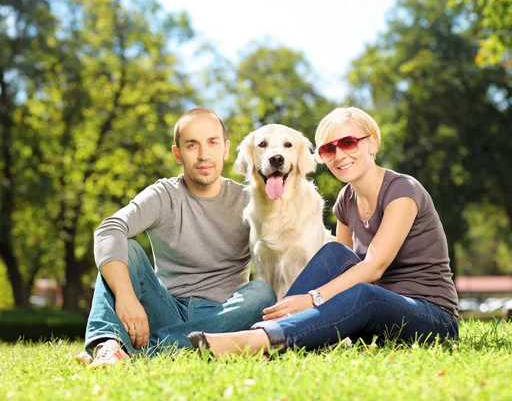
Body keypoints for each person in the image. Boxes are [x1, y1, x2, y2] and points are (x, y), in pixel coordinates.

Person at [188, 106, 459, 357]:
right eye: (329, 149)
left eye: (349, 143)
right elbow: (341, 267)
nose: (340, 155)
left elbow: (374, 267)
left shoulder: (403, 190)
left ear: (373, 143)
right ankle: (270, 327)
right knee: (333, 252)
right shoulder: (346, 199)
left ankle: (255, 342)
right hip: (375, 317)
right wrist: (310, 302)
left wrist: (312, 299)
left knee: (365, 293)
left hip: (431, 318)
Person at [76, 107, 276, 367]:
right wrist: (126, 297)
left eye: (212, 143)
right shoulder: (164, 194)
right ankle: (108, 343)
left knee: (262, 293)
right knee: (125, 248)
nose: (204, 155)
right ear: (177, 153)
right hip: (167, 309)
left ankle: (129, 350)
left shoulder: (249, 200)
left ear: (225, 149)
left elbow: (282, 247)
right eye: (192, 145)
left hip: (225, 315)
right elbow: (109, 229)